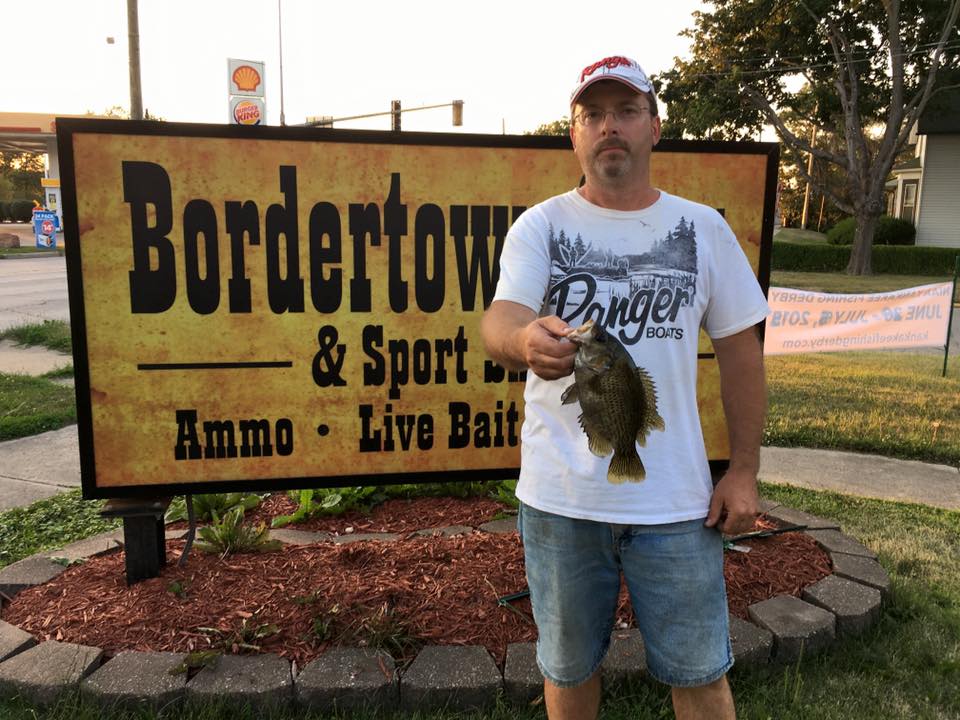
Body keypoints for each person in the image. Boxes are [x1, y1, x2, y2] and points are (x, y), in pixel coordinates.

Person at [480, 55, 770, 720]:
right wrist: (523, 342)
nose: (609, 126)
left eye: (627, 111)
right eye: (593, 114)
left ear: (655, 127)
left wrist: (744, 471)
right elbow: (500, 320)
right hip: (560, 501)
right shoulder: (540, 226)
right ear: (574, 134)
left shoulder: (703, 228)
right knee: (567, 669)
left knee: (700, 673)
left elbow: (741, 356)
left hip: (677, 503)